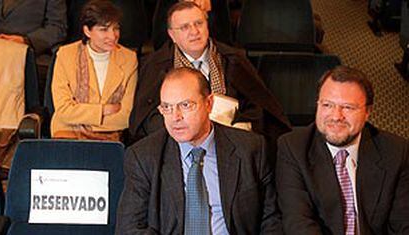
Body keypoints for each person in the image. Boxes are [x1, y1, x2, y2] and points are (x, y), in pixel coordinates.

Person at [116, 67, 282, 234]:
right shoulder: (144, 156)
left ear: (209, 104)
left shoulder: (250, 149)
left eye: (185, 105)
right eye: (167, 107)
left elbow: (271, 220)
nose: (175, 117)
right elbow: (129, 229)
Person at [129, 1, 290, 152]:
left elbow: (256, 107)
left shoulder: (233, 59)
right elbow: (146, 119)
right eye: (185, 27)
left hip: (229, 145)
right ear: (172, 35)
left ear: (207, 25)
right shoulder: (155, 65)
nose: (194, 32)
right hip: (177, 146)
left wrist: (239, 126)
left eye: (199, 23)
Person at [276, 66, 409, 234]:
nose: (336, 116)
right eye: (327, 105)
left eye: (348, 107)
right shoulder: (293, 147)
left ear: (368, 111)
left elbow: (403, 224)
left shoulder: (396, 151)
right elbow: (298, 223)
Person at [50, 0, 138, 141]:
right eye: (104, 30)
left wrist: (81, 119)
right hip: (67, 135)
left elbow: (126, 117)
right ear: (87, 31)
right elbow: (63, 112)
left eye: (116, 28)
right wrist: (102, 111)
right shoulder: (66, 55)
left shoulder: (129, 58)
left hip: (109, 139)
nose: (113, 36)